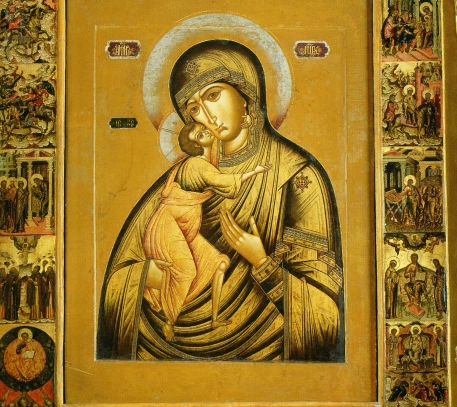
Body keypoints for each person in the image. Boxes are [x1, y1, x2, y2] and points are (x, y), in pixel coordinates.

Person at [97, 40, 343, 362]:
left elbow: (325, 319)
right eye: (194, 109)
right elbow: (118, 283)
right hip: (163, 349)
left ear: (247, 95)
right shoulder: (182, 179)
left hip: (267, 356)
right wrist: (150, 276)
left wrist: (262, 263)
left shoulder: (296, 176)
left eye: (213, 95)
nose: (207, 116)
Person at [143, 120, 270, 341]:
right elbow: (222, 181)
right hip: (170, 224)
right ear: (195, 145)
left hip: (186, 224)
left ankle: (214, 318)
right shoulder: (196, 164)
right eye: (200, 134)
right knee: (186, 271)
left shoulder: (205, 162)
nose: (205, 132)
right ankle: (169, 320)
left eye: (203, 130)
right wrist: (254, 172)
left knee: (220, 263)